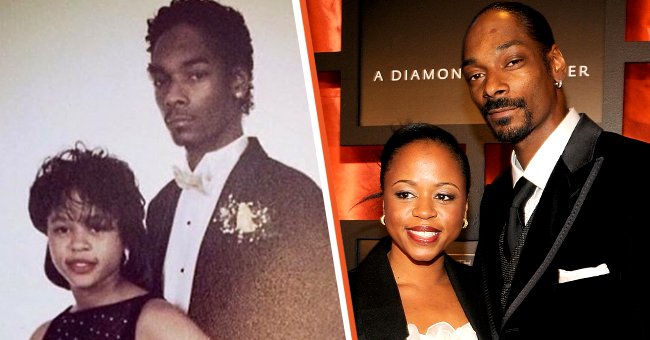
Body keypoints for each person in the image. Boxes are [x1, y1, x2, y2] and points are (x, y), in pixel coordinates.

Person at [143, 0, 344, 338]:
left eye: (194, 75)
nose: (172, 96)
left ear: (238, 81)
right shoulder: (160, 208)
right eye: (162, 80)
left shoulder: (295, 196)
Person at [461, 2, 650, 339]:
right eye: (476, 74)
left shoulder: (637, 172)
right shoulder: (495, 199)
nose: (491, 87)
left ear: (556, 64)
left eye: (512, 62)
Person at [27, 143, 210, 340]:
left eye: (96, 227)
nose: (78, 244)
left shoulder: (155, 322)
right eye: (62, 230)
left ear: (125, 236)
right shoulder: (43, 335)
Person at [348, 123, 491, 340]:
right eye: (406, 194)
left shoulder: (491, 295)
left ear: (465, 208)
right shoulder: (341, 298)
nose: (424, 211)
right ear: (384, 203)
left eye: (443, 196)